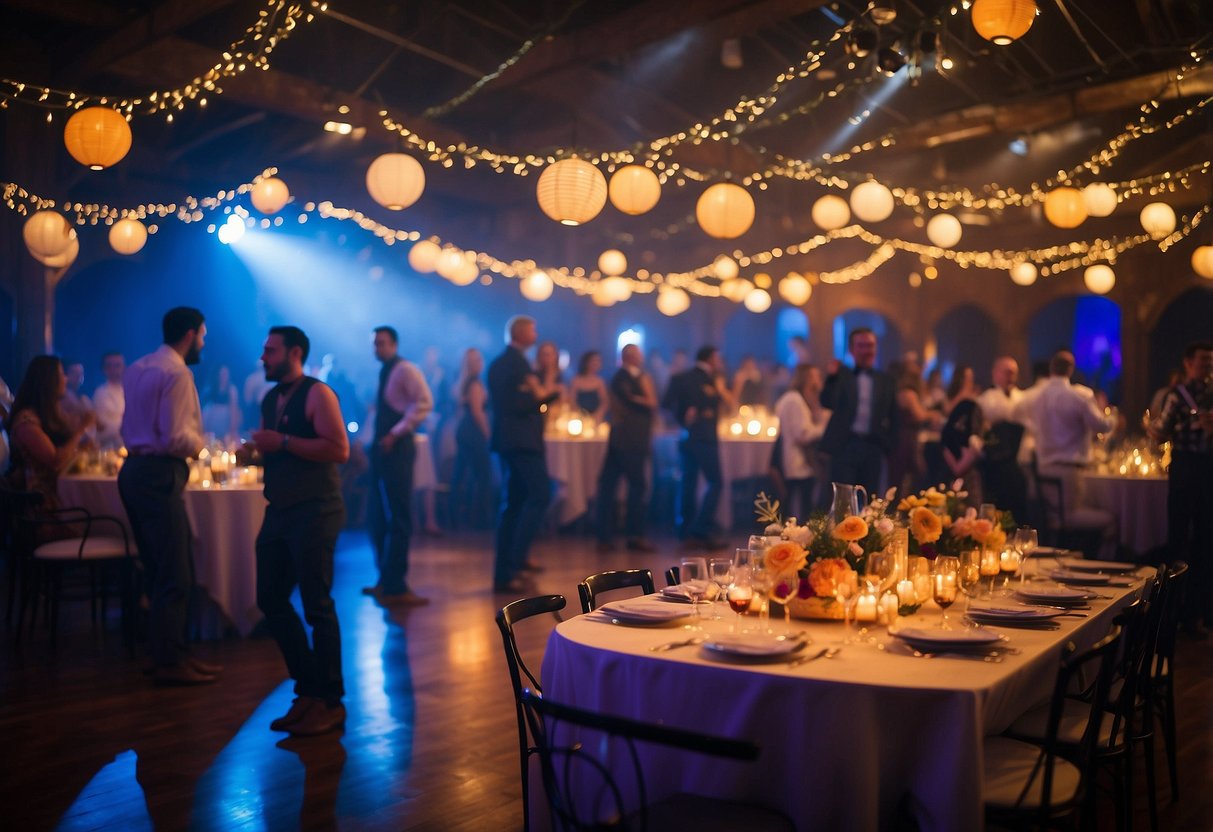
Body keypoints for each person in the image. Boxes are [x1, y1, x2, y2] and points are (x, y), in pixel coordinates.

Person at [246, 326, 350, 736]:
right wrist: (257, 452)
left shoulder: (318, 393)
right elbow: (277, 448)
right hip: (281, 509)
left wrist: (283, 442)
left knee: (317, 606)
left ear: (294, 352)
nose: (263, 357)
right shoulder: (271, 397)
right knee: (269, 598)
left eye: (269, 350)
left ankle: (330, 701)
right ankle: (308, 689)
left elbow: (339, 449)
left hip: (316, 510)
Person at [119, 307, 218, 686]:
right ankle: (172, 662)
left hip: (134, 472)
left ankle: (162, 654)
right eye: (203, 336)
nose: (203, 343)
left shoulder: (138, 367)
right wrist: (201, 445)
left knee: (158, 570)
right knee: (176, 572)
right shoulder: (178, 372)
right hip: (160, 474)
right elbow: (176, 435)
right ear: (190, 334)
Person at [364, 325, 433, 606]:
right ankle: (386, 580)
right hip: (383, 449)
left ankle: (397, 584)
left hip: (398, 448)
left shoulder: (406, 369)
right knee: (379, 517)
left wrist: (396, 432)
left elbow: (424, 403)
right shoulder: (385, 370)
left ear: (394, 344)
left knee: (400, 516)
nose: (377, 348)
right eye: (375, 344)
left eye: (381, 343)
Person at [489, 316, 558, 592]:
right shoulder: (515, 362)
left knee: (515, 502)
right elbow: (524, 402)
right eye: (533, 328)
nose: (536, 332)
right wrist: (547, 396)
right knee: (540, 494)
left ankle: (507, 570)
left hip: (511, 441)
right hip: (521, 442)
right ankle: (515, 561)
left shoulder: (504, 362)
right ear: (521, 332)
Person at [1149, 341, 1213, 637]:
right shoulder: (1177, 395)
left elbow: (1159, 432)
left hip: (1204, 468)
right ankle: (1172, 613)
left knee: (1203, 540)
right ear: (1188, 362)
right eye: (1203, 360)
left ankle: (1193, 615)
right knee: (1180, 539)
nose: (1208, 365)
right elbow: (1161, 432)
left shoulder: (1199, 394)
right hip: (1186, 469)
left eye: (1210, 361)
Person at [1020, 350, 1116, 533]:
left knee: (1057, 517)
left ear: (1051, 368)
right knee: (1108, 519)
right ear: (1070, 369)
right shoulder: (1079, 396)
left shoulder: (1034, 397)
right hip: (1069, 473)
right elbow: (1101, 426)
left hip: (1043, 468)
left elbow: (1017, 414)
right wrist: (1113, 417)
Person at [6, 356, 95, 530]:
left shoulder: (49, 413)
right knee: (102, 526)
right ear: (48, 380)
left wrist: (83, 444)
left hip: (61, 497)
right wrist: (80, 430)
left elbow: (67, 448)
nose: (66, 379)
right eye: (61, 374)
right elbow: (55, 459)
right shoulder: (26, 421)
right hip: (43, 512)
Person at [663, 345, 732, 547]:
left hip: (687, 437)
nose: (720, 362)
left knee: (688, 482)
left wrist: (681, 420)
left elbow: (666, 405)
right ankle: (701, 529)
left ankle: (685, 531)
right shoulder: (709, 378)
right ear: (711, 358)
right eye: (718, 358)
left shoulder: (681, 377)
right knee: (716, 482)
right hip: (705, 437)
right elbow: (727, 403)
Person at [595, 344, 657, 552]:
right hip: (628, 440)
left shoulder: (632, 377)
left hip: (626, 439)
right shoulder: (624, 378)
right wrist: (646, 394)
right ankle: (632, 535)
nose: (641, 357)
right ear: (629, 357)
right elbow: (648, 402)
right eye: (638, 354)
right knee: (635, 486)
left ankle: (609, 535)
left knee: (610, 486)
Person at [820, 328, 896, 495]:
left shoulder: (886, 381)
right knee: (842, 499)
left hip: (873, 447)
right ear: (852, 350)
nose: (866, 350)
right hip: (845, 445)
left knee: (869, 499)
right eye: (861, 345)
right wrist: (831, 378)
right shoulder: (842, 376)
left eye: (870, 345)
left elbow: (893, 416)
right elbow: (827, 402)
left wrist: (887, 445)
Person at [773, 364, 831, 520]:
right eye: (816, 376)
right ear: (807, 378)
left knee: (796, 503)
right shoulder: (795, 400)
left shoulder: (796, 399)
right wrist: (823, 426)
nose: (819, 380)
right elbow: (802, 435)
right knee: (800, 506)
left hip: (799, 460)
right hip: (798, 461)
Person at [976, 356, 1029, 519]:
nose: (1010, 377)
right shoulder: (986, 399)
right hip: (995, 463)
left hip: (1018, 461)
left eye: (1013, 373)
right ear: (995, 373)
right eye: (1007, 372)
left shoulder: (1022, 397)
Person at [450, 348, 493, 529]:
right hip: (473, 432)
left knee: (462, 474)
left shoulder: (464, 383)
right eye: (475, 360)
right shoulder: (474, 384)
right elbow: (477, 412)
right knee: (483, 475)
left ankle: (456, 517)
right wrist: (487, 433)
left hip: (464, 431)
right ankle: (481, 519)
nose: (479, 363)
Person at [887, 360, 939, 498]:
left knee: (903, 475)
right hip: (906, 440)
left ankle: (904, 503)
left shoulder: (901, 392)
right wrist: (933, 414)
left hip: (904, 438)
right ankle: (907, 505)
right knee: (914, 473)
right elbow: (919, 415)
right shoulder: (908, 394)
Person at [92, 352, 126, 448]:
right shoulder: (101, 393)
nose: (117, 370)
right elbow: (103, 426)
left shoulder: (130, 390)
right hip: (109, 448)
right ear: (105, 370)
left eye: (119, 365)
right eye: (112, 366)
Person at [201, 364, 240, 442]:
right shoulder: (210, 388)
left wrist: (233, 428)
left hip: (225, 419)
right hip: (211, 418)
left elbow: (234, 409)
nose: (224, 376)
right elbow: (204, 407)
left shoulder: (231, 389)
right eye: (222, 373)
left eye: (226, 374)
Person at [569, 350, 608, 423]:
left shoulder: (600, 382)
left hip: (596, 418)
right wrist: (580, 414)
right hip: (579, 418)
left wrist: (598, 414)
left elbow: (604, 402)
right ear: (586, 362)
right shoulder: (576, 381)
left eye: (598, 361)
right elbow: (572, 400)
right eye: (593, 361)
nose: (596, 363)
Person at [534, 341, 566, 425]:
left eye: (551, 354)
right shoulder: (534, 376)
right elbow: (543, 396)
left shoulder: (560, 376)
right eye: (545, 354)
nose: (548, 358)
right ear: (539, 356)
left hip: (556, 419)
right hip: (537, 419)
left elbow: (564, 400)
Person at [60, 359, 94, 434]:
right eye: (74, 372)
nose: (78, 376)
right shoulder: (62, 399)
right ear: (64, 374)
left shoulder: (84, 397)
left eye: (80, 373)